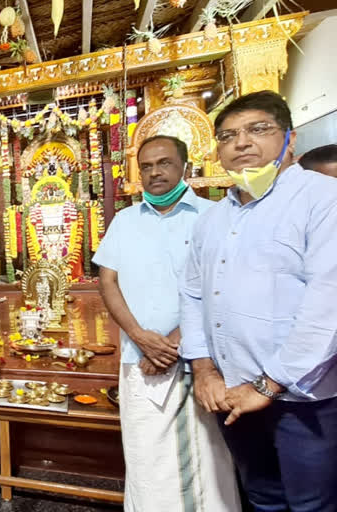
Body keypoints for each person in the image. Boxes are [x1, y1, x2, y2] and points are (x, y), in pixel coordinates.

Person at [180, 91, 337, 512]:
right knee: (262, 498)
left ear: (291, 138)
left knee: (312, 504)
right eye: (228, 135)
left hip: (303, 398)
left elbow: (328, 303)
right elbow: (193, 294)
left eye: (258, 129)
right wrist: (204, 368)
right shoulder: (214, 219)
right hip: (232, 391)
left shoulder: (322, 199)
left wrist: (268, 384)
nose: (242, 143)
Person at [94, 135, 240, 511]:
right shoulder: (125, 221)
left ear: (185, 167)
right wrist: (140, 337)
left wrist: (175, 342)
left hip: (200, 360)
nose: (155, 172)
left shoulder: (214, 215)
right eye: (146, 166)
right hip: (138, 359)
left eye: (164, 163)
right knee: (146, 457)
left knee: (204, 460)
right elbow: (107, 281)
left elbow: (222, 286)